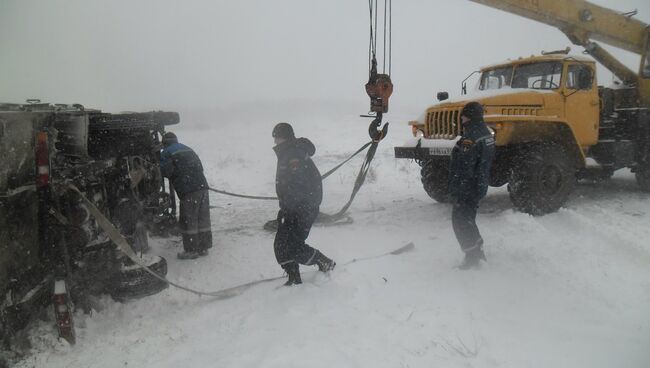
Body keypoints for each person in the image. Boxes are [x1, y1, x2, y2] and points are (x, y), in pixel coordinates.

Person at [272, 122, 336, 285]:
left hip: (303, 209)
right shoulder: (288, 152)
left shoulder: (293, 155)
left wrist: (291, 209)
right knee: (281, 245)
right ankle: (294, 278)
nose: (275, 142)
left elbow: (298, 186)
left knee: (293, 246)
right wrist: (286, 208)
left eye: (277, 138)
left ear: (285, 138)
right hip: (292, 208)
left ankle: (323, 262)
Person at [448, 102, 495, 269]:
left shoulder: (471, 138)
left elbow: (464, 165)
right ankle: (477, 251)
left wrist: (457, 187)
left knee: (460, 220)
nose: (461, 118)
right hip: (479, 184)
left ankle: (472, 256)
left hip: (467, 187)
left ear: (470, 116)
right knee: (468, 219)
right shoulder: (486, 134)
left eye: (463, 115)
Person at [160, 132, 213, 259]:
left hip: (188, 189)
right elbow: (199, 166)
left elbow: (166, 171)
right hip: (202, 186)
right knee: (202, 218)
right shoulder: (187, 148)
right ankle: (203, 247)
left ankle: (191, 250)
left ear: (165, 143)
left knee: (189, 220)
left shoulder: (166, 152)